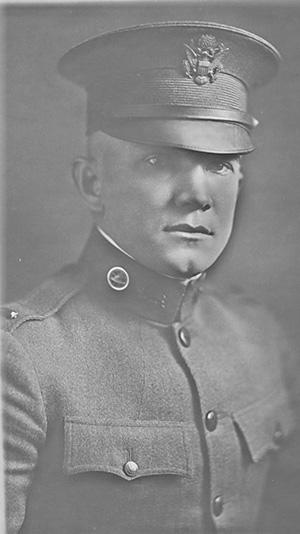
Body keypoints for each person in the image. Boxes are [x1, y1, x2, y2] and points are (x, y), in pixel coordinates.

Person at [2, 21, 298, 534]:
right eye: (160, 160)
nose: (197, 196)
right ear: (93, 182)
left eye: (221, 164)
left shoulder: (259, 334)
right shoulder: (24, 361)